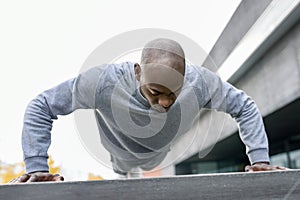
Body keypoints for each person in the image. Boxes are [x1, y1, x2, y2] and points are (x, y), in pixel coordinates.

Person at [10, 38, 287, 183]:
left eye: (173, 93)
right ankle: (127, 176)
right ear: (138, 72)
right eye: (156, 92)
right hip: (120, 155)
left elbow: (245, 107)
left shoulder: (201, 83)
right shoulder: (103, 82)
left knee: (151, 164)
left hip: (158, 152)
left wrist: (260, 159)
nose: (165, 103)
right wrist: (37, 166)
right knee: (127, 169)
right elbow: (41, 105)